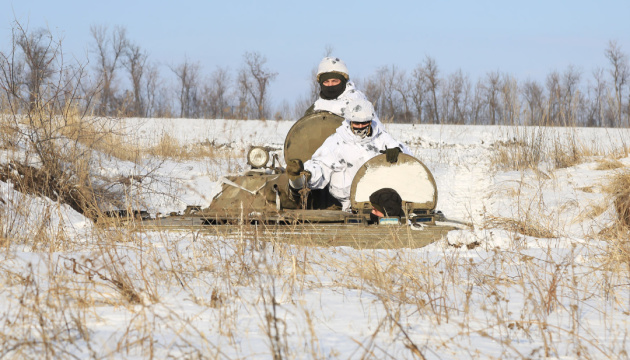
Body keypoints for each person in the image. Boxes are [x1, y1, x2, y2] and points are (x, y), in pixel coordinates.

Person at [287, 98, 411, 211]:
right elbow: (320, 164)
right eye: (356, 123)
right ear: (349, 121)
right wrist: (305, 173)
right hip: (351, 206)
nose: (360, 127)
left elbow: (409, 159)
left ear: (370, 121)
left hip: (384, 202)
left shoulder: (382, 138)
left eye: (364, 123)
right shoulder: (337, 142)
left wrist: (399, 152)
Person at [304, 57, 386, 132]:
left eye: (335, 81)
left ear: (343, 81)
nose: (330, 85)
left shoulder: (357, 100)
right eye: (326, 82)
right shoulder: (316, 108)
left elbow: (379, 132)